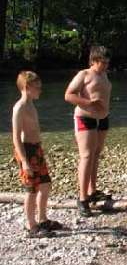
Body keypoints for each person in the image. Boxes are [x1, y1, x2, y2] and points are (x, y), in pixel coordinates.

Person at [12, 71, 63, 237]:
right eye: (37, 87)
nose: (40, 90)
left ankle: (42, 219)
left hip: (36, 149)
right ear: (27, 88)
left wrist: (39, 148)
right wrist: (25, 161)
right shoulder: (19, 107)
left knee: (45, 184)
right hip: (27, 151)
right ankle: (30, 225)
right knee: (31, 189)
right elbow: (16, 137)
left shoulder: (31, 104)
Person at [65, 46, 112, 217]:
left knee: (96, 154)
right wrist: (90, 103)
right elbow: (68, 95)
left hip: (103, 119)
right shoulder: (84, 74)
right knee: (86, 155)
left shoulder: (104, 75)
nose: (105, 66)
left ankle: (92, 191)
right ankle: (82, 198)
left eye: (107, 63)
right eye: (102, 63)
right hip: (86, 118)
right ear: (93, 61)